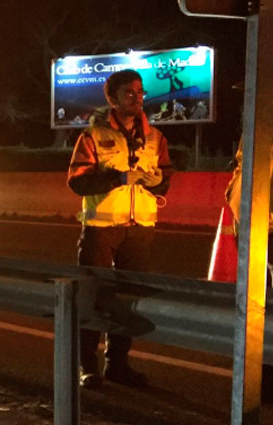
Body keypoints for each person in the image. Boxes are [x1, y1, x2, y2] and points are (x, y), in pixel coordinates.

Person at [67, 69, 173, 388]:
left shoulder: (155, 137)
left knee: (127, 300)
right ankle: (87, 366)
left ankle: (118, 364)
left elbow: (165, 179)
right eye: (129, 93)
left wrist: (159, 183)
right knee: (93, 296)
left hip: (140, 227)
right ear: (111, 99)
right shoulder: (92, 136)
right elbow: (77, 181)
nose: (137, 98)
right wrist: (117, 179)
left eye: (140, 93)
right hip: (102, 226)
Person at [208, 70, 273, 404]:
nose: (259, 94)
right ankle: (268, 382)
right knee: (262, 310)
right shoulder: (262, 123)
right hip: (257, 230)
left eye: (270, 87)